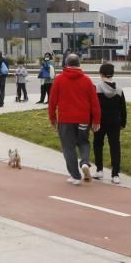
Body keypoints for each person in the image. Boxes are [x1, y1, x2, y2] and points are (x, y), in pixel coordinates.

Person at [48, 54, 101, 185]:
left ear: (66, 64)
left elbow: (52, 101)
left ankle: (75, 176)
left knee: (68, 147)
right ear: (79, 64)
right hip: (83, 118)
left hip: (65, 119)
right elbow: (95, 103)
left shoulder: (59, 80)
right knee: (84, 142)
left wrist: (53, 118)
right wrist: (96, 120)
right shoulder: (87, 80)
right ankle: (84, 162)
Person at [93, 63, 127, 184]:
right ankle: (115, 174)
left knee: (98, 144)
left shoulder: (96, 88)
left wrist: (92, 120)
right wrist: (123, 122)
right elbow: (123, 108)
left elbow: (93, 106)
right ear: (112, 74)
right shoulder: (119, 89)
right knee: (115, 146)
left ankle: (99, 170)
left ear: (101, 74)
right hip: (114, 122)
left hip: (99, 121)